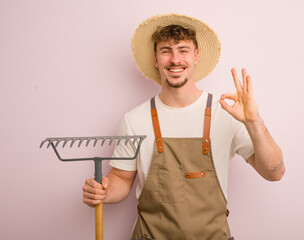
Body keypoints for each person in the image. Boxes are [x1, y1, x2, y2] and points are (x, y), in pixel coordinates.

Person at [82, 13, 284, 240]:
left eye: (183, 50)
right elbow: (121, 179)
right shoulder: (135, 119)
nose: (175, 59)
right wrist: (104, 191)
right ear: (156, 59)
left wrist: (255, 122)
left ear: (196, 56)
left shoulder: (226, 114)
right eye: (166, 51)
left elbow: (274, 172)